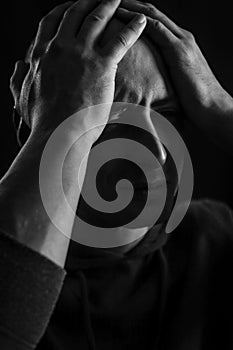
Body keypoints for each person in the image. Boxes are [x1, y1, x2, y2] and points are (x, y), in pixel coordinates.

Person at [0, 0, 233, 349]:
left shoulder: (212, 239)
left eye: (167, 115)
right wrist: (54, 128)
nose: (156, 153)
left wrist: (220, 107)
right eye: (108, 116)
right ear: (32, 122)